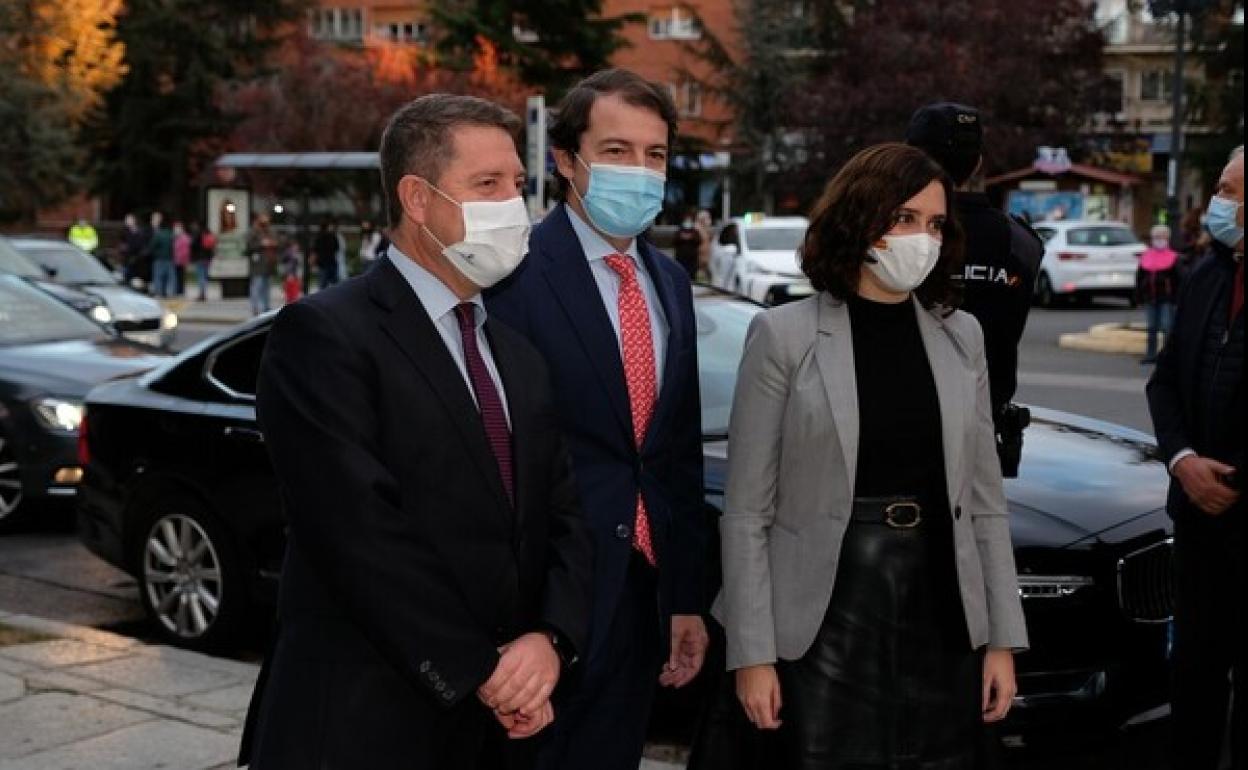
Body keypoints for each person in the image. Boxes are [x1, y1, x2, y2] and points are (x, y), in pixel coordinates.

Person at [238, 93, 593, 770]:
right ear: (417, 198)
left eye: (517, 186)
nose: (512, 205)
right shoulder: (325, 334)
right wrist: (478, 669)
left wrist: (550, 640)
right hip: (361, 722)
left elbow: (566, 516)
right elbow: (356, 531)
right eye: (486, 185)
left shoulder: (517, 355)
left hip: (501, 729)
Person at [716, 143, 1028, 769]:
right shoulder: (784, 336)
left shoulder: (962, 335)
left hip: (942, 611)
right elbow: (748, 510)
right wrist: (752, 654)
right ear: (859, 219)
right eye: (903, 218)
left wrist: (1002, 641)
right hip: (826, 617)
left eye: (935, 223)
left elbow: (986, 504)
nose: (922, 237)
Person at [486, 68, 709, 770]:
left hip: (640, 600)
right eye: (617, 151)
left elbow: (673, 452)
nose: (640, 171)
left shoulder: (669, 281)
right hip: (539, 605)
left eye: (655, 155)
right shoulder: (510, 272)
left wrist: (684, 597)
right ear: (564, 160)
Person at [1146, 145, 1244, 770]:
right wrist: (1182, 458)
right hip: (1198, 522)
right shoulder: (1206, 273)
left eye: (1234, 192)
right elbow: (1166, 381)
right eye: (1223, 187)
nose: (1221, 202)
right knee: (1194, 680)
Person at [906, 102, 1043, 478]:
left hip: (904, 431)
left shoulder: (896, 236)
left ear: (909, 157)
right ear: (979, 162)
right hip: (984, 432)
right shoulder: (1021, 242)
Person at [1136, 223, 1180, 365]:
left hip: (1166, 298)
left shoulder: (1174, 257)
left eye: (1162, 237)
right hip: (1150, 297)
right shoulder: (1146, 256)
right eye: (1156, 237)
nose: (1158, 240)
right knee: (1152, 327)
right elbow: (1140, 278)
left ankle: (1168, 355)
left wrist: (1176, 298)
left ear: (1167, 239)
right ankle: (1151, 354)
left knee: (1167, 327)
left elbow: (1178, 280)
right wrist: (1138, 296)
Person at [245, 215, 279, 315]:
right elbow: (249, 244)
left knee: (266, 286)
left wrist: (272, 243)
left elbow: (278, 241)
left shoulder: (270, 232)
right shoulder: (253, 232)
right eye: (262, 222)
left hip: (269, 263)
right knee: (257, 285)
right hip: (258, 264)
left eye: (266, 223)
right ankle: (255, 307)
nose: (265, 225)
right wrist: (261, 243)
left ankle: (266, 307)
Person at [145, 212, 175, 298]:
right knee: (168, 277)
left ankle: (159, 292)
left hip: (158, 258)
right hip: (169, 258)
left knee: (158, 277)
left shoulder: (158, 235)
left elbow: (152, 246)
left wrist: (152, 253)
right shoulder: (170, 234)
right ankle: (167, 292)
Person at [189, 221, 215, 302]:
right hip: (207, 258)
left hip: (200, 258)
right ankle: (204, 293)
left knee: (201, 276)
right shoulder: (208, 233)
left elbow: (193, 245)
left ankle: (202, 294)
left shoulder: (197, 234)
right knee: (205, 276)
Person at [672, 210, 702, 279]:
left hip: (692, 260)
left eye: (689, 220)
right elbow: (674, 242)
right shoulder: (679, 231)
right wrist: (681, 237)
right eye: (686, 220)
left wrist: (691, 237)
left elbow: (699, 241)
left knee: (692, 276)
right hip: (681, 259)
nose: (688, 222)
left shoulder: (695, 232)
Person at [312, 218, 340, 290]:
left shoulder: (318, 237)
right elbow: (337, 248)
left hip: (323, 263)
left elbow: (315, 251)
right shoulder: (332, 237)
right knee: (334, 284)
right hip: (330, 262)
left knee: (323, 284)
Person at [172, 221, 192, 298]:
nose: (176, 230)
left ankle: (180, 291)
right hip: (175, 260)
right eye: (175, 229)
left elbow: (186, 250)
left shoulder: (184, 237)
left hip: (182, 261)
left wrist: (181, 258)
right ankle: (177, 290)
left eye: (177, 228)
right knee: (176, 276)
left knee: (181, 276)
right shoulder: (175, 237)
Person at [695, 209, 713, 278]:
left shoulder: (706, 230)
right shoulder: (697, 230)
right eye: (707, 218)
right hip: (699, 260)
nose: (709, 221)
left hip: (706, 259)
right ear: (701, 220)